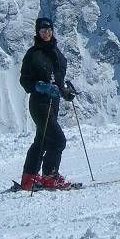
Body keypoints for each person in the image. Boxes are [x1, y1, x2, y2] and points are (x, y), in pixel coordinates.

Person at [18, 16, 78, 190]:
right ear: (38, 32)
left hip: (53, 103)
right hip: (39, 104)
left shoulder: (57, 54)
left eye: (49, 30)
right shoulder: (32, 54)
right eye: (43, 31)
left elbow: (58, 81)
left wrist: (65, 92)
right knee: (58, 141)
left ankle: (29, 178)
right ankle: (50, 177)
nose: (46, 33)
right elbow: (24, 80)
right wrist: (39, 86)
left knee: (42, 141)